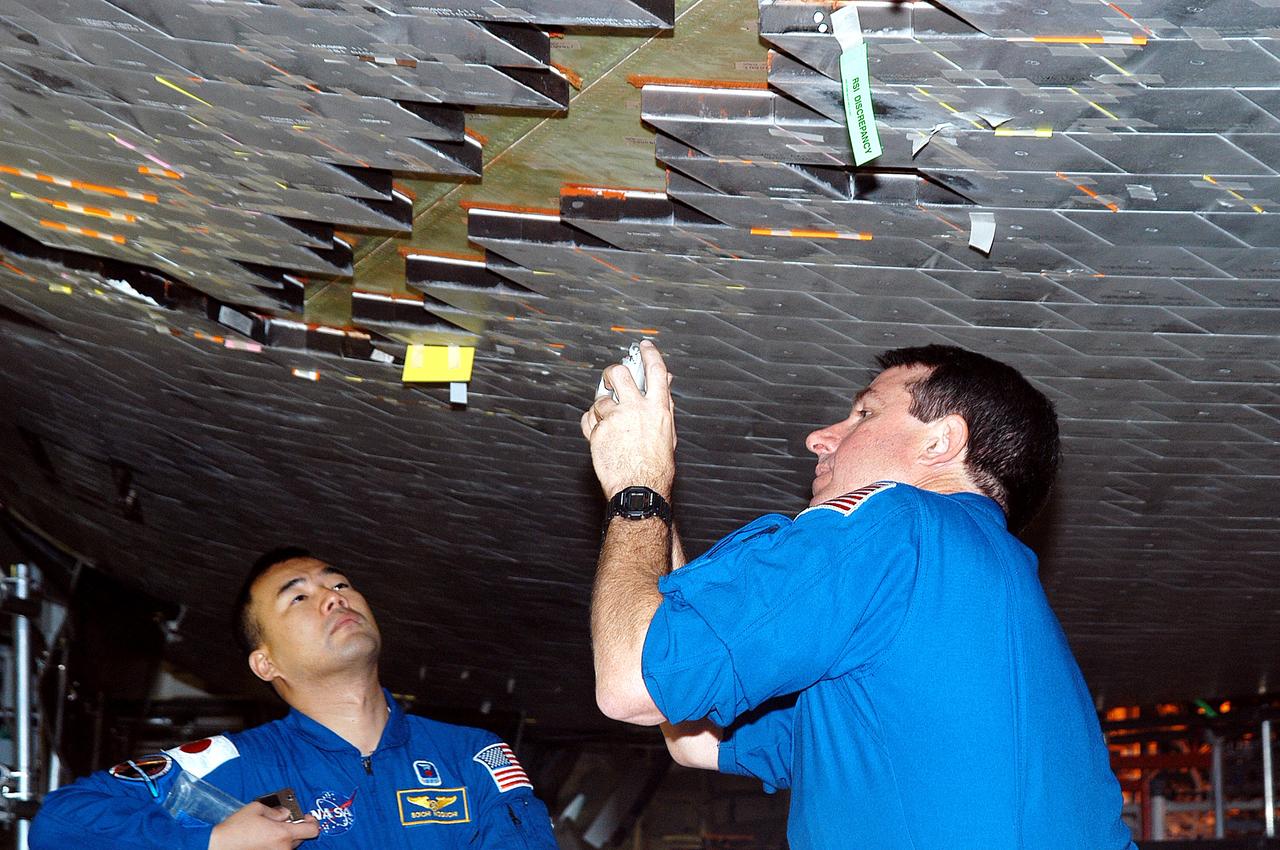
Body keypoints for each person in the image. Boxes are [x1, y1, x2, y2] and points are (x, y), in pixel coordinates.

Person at [581, 340, 1136, 849]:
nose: (820, 437)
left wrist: (637, 484)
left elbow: (632, 684)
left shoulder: (896, 522)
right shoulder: (967, 605)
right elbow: (696, 735)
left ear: (942, 440)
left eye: (865, 412)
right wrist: (653, 481)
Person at [32, 547, 558, 850]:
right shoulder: (236, 765)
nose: (335, 596)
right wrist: (210, 843)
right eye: (300, 597)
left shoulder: (470, 755)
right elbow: (61, 822)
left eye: (341, 584)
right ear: (266, 664)